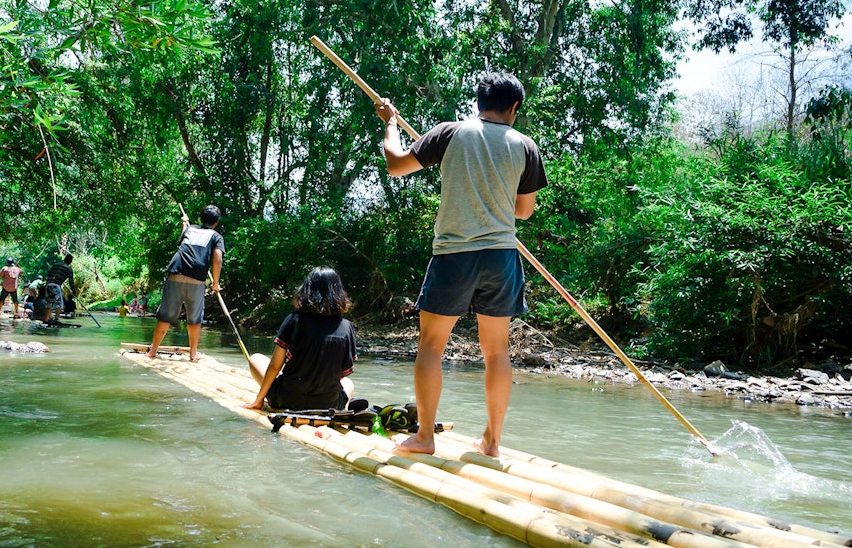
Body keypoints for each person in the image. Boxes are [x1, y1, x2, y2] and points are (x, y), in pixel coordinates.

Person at [375, 72, 548, 457]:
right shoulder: (526, 146)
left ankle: (424, 438)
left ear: (478, 102)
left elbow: (396, 165)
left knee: (431, 347)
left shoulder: (450, 132)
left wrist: (390, 122)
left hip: (454, 254)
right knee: (497, 352)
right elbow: (524, 211)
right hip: (502, 256)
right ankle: (492, 442)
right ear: (514, 107)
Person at [244, 267, 356, 411]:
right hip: (327, 405)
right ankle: (341, 409)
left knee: (255, 358)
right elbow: (343, 374)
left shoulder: (294, 319)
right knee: (349, 383)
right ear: (339, 294)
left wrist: (259, 400)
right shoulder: (346, 327)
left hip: (287, 400)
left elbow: (275, 366)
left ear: (307, 291)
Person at [143, 205, 224, 361]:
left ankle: (152, 351)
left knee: (165, 315)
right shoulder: (216, 236)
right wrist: (215, 283)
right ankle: (193, 354)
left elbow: (183, 242)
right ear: (216, 222)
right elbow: (218, 259)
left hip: (176, 273)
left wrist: (185, 225)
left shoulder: (191, 229)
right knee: (194, 317)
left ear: (201, 219)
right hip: (197, 278)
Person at [42, 254, 76, 325]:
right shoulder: (69, 269)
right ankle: (56, 319)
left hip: (48, 285)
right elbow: (71, 282)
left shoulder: (56, 265)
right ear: (70, 261)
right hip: (56, 286)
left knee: (49, 303)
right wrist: (74, 291)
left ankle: (47, 319)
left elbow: (48, 274)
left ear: (64, 259)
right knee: (59, 304)